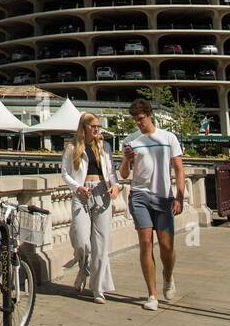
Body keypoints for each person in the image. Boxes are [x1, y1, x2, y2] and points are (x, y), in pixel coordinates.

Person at [118, 97, 185, 311]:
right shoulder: (130, 140)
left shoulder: (168, 138)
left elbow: (178, 169)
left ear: (149, 115)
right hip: (139, 195)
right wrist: (127, 159)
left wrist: (179, 197)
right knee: (146, 242)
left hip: (163, 196)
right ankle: (152, 294)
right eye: (135, 120)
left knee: (166, 246)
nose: (138, 123)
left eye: (141, 119)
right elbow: (124, 174)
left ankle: (168, 275)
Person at [60, 112, 120, 303]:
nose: (97, 130)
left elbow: (111, 171)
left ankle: (98, 288)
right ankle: (83, 268)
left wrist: (116, 186)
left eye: (98, 126)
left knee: (101, 244)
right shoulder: (72, 148)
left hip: (102, 193)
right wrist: (77, 187)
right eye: (93, 126)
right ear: (84, 127)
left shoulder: (105, 147)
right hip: (82, 194)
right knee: (82, 242)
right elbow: (65, 173)